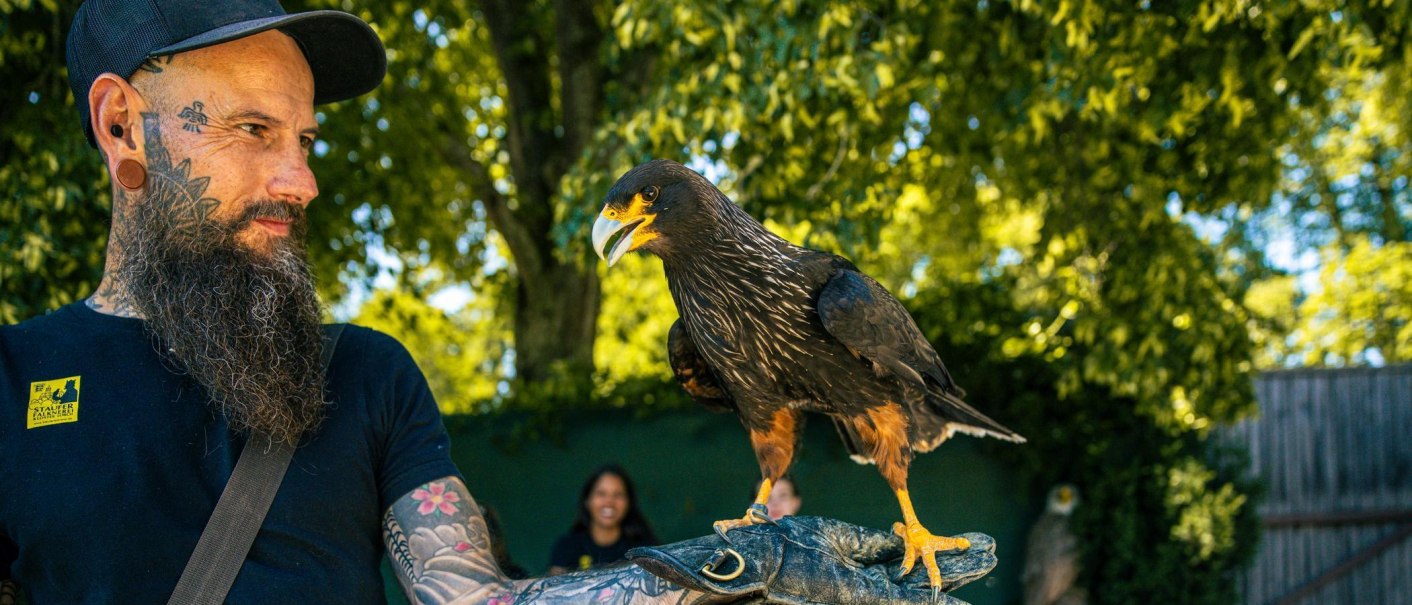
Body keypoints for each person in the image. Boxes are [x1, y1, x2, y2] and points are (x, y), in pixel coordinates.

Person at [0, 1, 996, 603]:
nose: (299, 180)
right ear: (123, 126)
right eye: (254, 128)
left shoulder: (363, 374)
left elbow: (472, 597)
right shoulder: (12, 385)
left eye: (306, 139)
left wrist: (746, 566)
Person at [549, 464, 659, 575]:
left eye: (618, 495)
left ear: (629, 503)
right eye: (601, 494)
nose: (609, 502)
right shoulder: (566, 547)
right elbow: (553, 590)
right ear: (587, 500)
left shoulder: (644, 549)